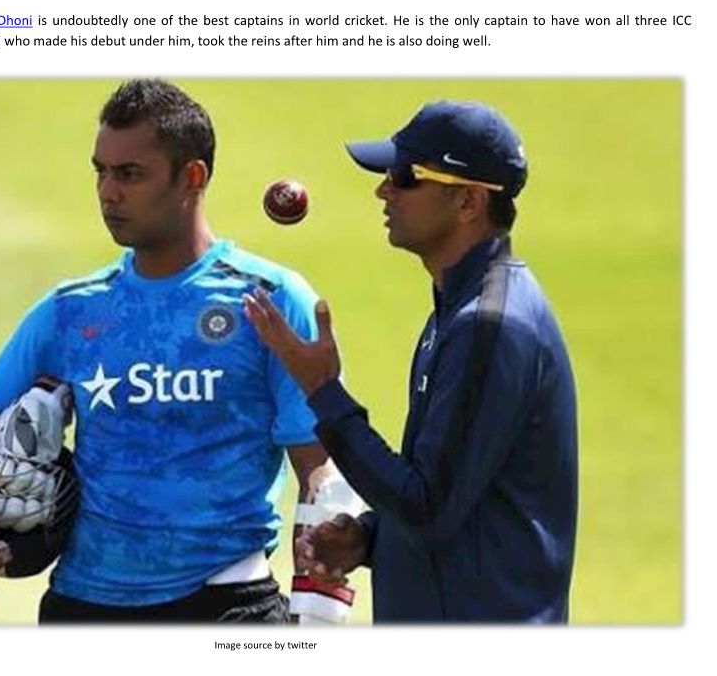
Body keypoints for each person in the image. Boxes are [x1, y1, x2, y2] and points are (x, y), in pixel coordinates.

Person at [0, 79, 330, 623]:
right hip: (83, 607)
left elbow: (318, 467)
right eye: (101, 172)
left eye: (130, 174)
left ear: (192, 177)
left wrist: (320, 607)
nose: (108, 192)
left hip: (227, 605)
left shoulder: (270, 300)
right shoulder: (70, 310)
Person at [245, 100, 578, 623]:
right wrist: (369, 538)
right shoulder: (461, 308)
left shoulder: (488, 325)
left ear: (468, 201)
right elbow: (450, 487)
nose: (384, 191)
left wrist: (323, 391)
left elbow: (425, 506)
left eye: (404, 177)